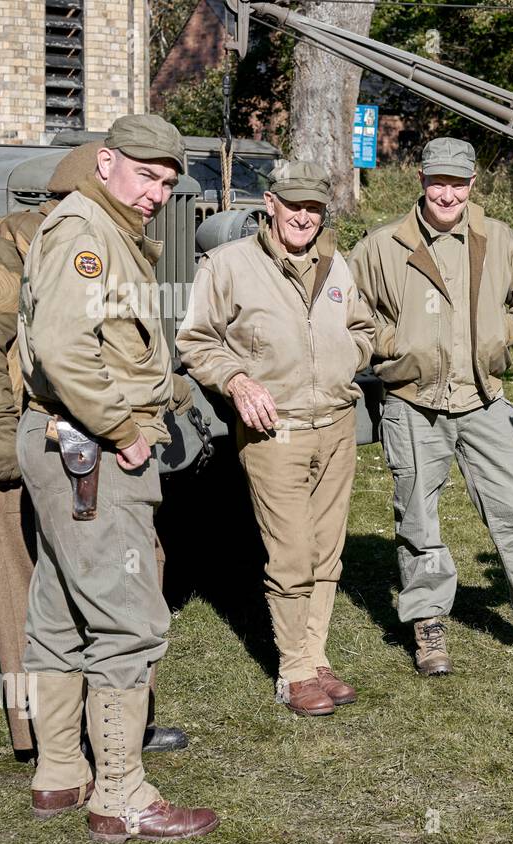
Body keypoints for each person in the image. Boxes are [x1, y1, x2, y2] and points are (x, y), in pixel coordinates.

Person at [0, 142, 188, 756]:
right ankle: (45, 741)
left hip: (89, 441)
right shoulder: (18, 238)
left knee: (129, 570)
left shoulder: (110, 239)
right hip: (29, 439)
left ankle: (115, 726)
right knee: (27, 588)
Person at [17, 114, 218, 842]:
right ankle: (123, 793)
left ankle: (60, 773)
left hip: (72, 444)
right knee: (127, 620)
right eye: (146, 176)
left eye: (168, 182)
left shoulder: (100, 227)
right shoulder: (85, 234)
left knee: (62, 611)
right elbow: (66, 352)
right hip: (92, 449)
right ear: (106, 163)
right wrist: (127, 430)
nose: (158, 193)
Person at [349, 136, 513, 675]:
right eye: (438, 181)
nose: (447, 193)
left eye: (457, 183)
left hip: (484, 399)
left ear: (472, 185)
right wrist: (393, 344)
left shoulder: (497, 238)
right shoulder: (382, 245)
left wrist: (500, 333)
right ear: (421, 179)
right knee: (418, 519)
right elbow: (351, 311)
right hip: (414, 402)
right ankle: (428, 625)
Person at [177, 161, 374, 717]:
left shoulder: (339, 265)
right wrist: (237, 380)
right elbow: (195, 341)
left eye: (314, 208)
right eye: (295, 206)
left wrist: (345, 361)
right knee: (290, 553)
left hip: (335, 423)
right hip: (274, 430)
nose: (304, 217)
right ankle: (291, 672)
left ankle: (315, 656)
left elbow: (362, 329)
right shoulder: (229, 264)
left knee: (326, 552)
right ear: (271, 204)